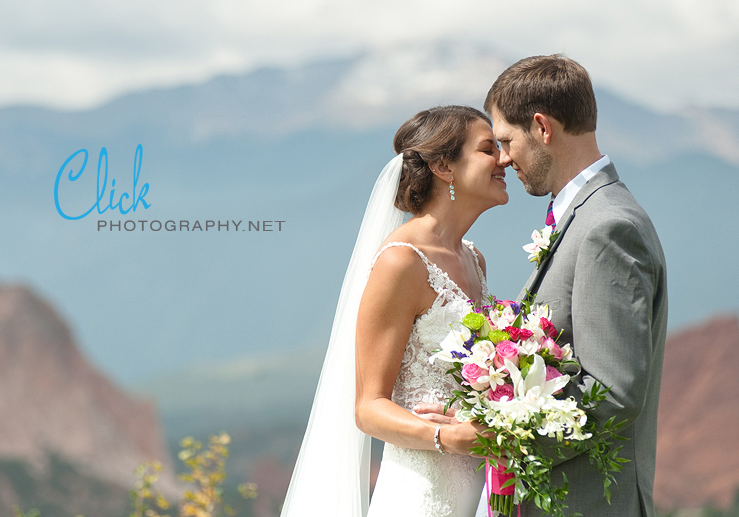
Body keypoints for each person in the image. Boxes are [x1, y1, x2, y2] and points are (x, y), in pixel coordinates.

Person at [418, 55, 668, 516]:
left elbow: (613, 394)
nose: (504, 157)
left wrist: (493, 437)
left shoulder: (606, 226)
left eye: (508, 140)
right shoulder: (584, 217)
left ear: (542, 127)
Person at [280, 105, 508, 517]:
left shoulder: (475, 259)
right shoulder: (402, 262)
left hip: (481, 488)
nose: (504, 160)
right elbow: (369, 408)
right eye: (488, 149)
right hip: (422, 493)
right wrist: (449, 437)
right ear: (443, 166)